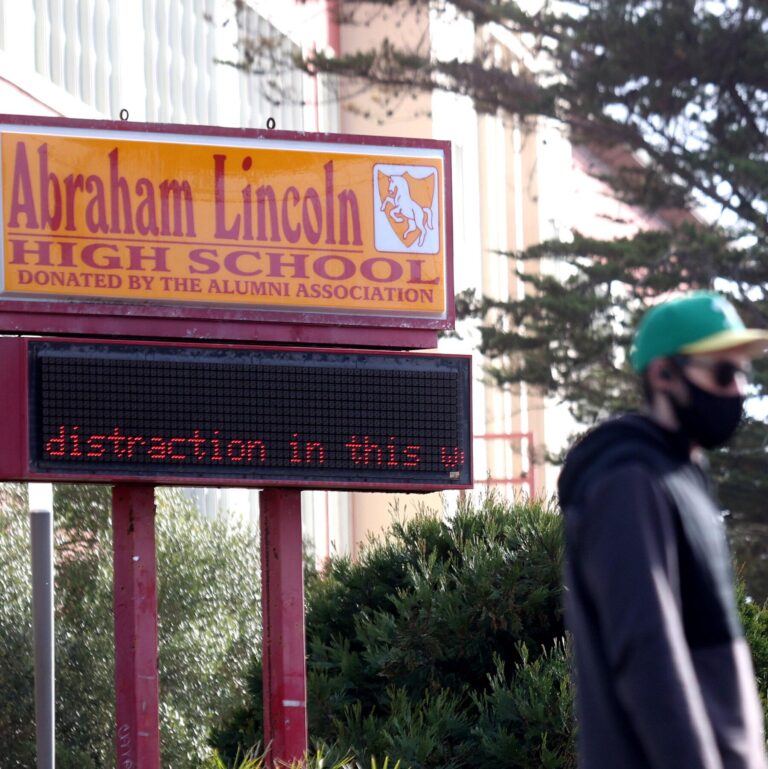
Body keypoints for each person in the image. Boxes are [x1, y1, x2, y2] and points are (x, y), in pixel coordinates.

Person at [558, 291, 768, 769]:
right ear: (663, 375)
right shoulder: (628, 481)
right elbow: (648, 654)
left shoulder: (678, 475)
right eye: (722, 373)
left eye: (742, 374)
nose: (737, 391)